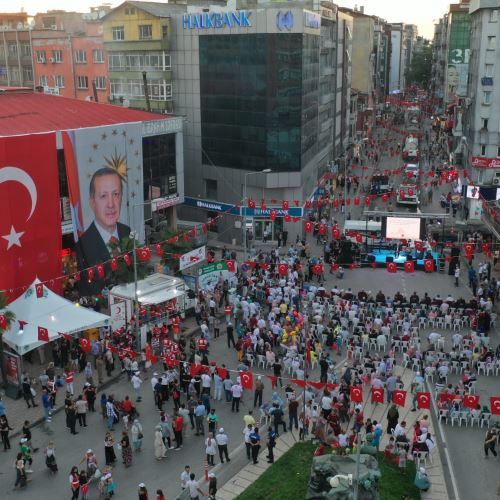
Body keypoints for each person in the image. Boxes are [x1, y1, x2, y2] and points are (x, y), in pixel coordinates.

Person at [76, 167, 131, 295]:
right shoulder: (83, 245)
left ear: (121, 198)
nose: (111, 204)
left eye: (116, 194)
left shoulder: (127, 232)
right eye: (103, 196)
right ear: (92, 202)